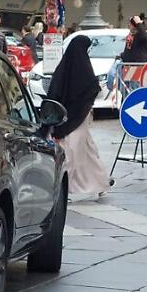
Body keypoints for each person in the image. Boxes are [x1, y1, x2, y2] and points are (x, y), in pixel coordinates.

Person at [47, 35, 110, 198]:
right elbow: (92, 89)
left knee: (81, 150)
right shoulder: (85, 68)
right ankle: (79, 184)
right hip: (79, 117)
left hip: (67, 118)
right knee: (79, 150)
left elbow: (54, 92)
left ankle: (93, 183)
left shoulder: (64, 68)